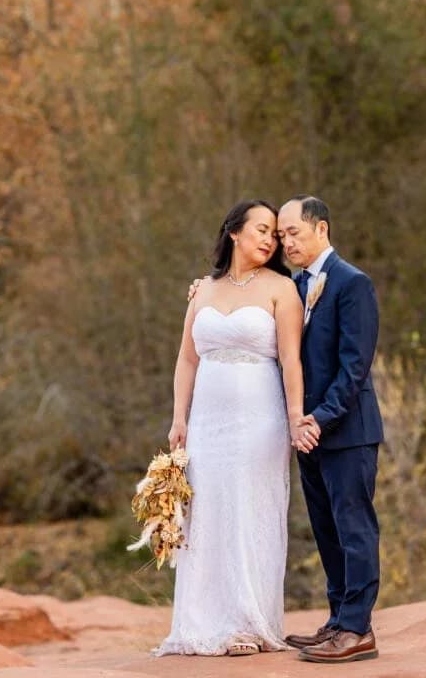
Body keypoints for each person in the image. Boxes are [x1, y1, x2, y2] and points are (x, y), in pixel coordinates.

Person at [154, 199, 307, 657]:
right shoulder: (202, 291)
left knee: (249, 511)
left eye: (275, 235)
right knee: (207, 514)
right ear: (234, 232)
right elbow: (186, 358)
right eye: (261, 229)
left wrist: (297, 416)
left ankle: (247, 621)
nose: (270, 239)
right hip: (207, 423)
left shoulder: (282, 289)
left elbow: (291, 359)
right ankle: (202, 623)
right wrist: (179, 417)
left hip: (260, 420)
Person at [279, 195, 384, 664]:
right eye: (281, 236)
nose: (286, 242)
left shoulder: (352, 283)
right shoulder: (292, 286)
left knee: (354, 529)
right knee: (325, 530)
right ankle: (338, 619)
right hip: (309, 436)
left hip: (347, 432)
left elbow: (355, 367)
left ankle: (358, 628)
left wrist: (316, 420)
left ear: (321, 228)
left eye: (293, 233)